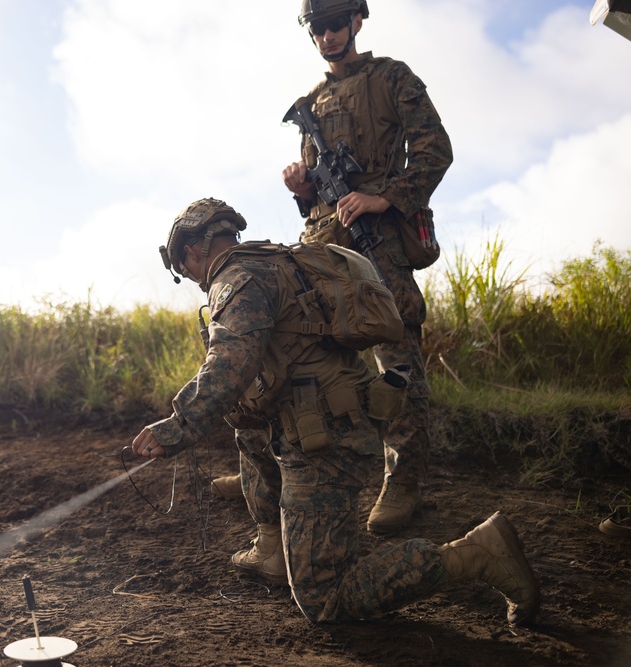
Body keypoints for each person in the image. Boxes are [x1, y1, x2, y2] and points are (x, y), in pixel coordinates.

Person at [131, 197, 540, 624]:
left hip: (325, 438)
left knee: (324, 599)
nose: (190, 277)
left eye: (184, 269)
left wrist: (176, 427)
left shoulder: (236, 279)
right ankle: (273, 547)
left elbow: (229, 365)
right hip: (324, 417)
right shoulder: (274, 261)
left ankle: (476, 553)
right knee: (247, 425)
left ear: (191, 251)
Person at [282, 0, 453, 534]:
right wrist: (302, 188)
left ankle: (403, 481)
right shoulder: (310, 102)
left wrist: (385, 197)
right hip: (323, 247)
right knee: (311, 355)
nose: (328, 36)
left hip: (378, 242)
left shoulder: (391, 77)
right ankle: (308, 471)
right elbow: (318, 194)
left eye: (336, 24)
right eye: (318, 28)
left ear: (357, 20)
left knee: (395, 359)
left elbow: (435, 149)